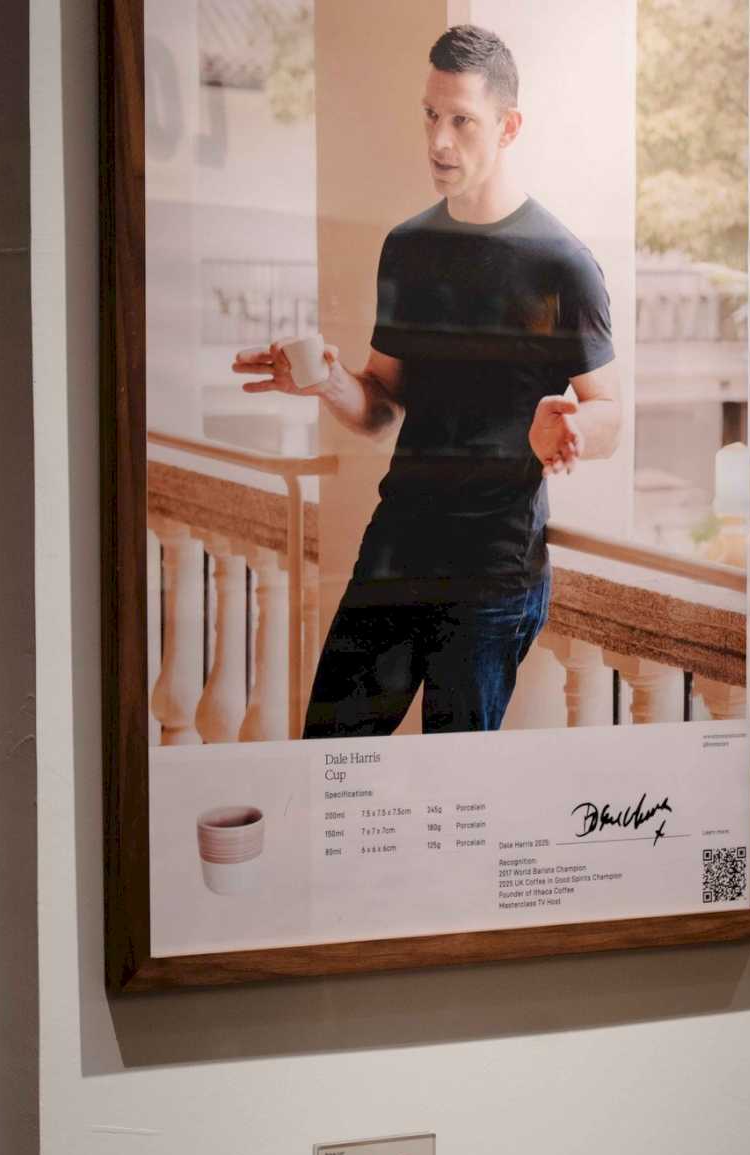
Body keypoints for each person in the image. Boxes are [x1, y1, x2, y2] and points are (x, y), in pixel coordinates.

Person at [233, 24, 620, 736]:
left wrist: (567, 428)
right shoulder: (407, 248)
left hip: (491, 573)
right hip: (396, 548)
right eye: (430, 115)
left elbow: (610, 415)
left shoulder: (561, 263)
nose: (439, 140)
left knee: (453, 786)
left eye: (462, 120)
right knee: (331, 761)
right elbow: (383, 405)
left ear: (508, 127)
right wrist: (326, 383)